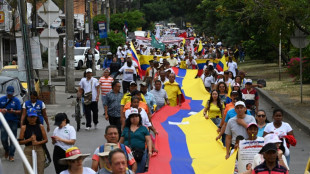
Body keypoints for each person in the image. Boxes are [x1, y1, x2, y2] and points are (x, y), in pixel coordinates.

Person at [119, 109, 153, 173]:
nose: (134, 118)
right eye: (132, 117)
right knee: (127, 171)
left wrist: (150, 151)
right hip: (127, 154)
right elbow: (121, 142)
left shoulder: (144, 128)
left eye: (136, 116)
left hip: (140, 154)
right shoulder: (126, 129)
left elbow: (148, 140)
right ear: (129, 119)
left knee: (139, 170)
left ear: (139, 118)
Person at [18, 108, 48, 174]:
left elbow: (46, 140)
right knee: (28, 170)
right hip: (28, 150)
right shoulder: (24, 127)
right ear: (27, 117)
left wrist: (38, 142)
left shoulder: (41, 126)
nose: (32, 119)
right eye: (30, 117)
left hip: (39, 149)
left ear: (36, 117)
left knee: (40, 170)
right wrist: (29, 140)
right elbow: (20, 142)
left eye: (34, 117)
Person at [0, 86, 21, 161]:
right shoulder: (1, 99)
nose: (10, 95)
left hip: (13, 122)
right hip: (4, 122)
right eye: (8, 93)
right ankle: (7, 149)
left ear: (13, 93)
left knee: (12, 138)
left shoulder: (16, 100)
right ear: (6, 92)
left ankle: (11, 155)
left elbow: (20, 111)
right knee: (3, 138)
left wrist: (13, 111)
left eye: (11, 94)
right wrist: (2, 110)